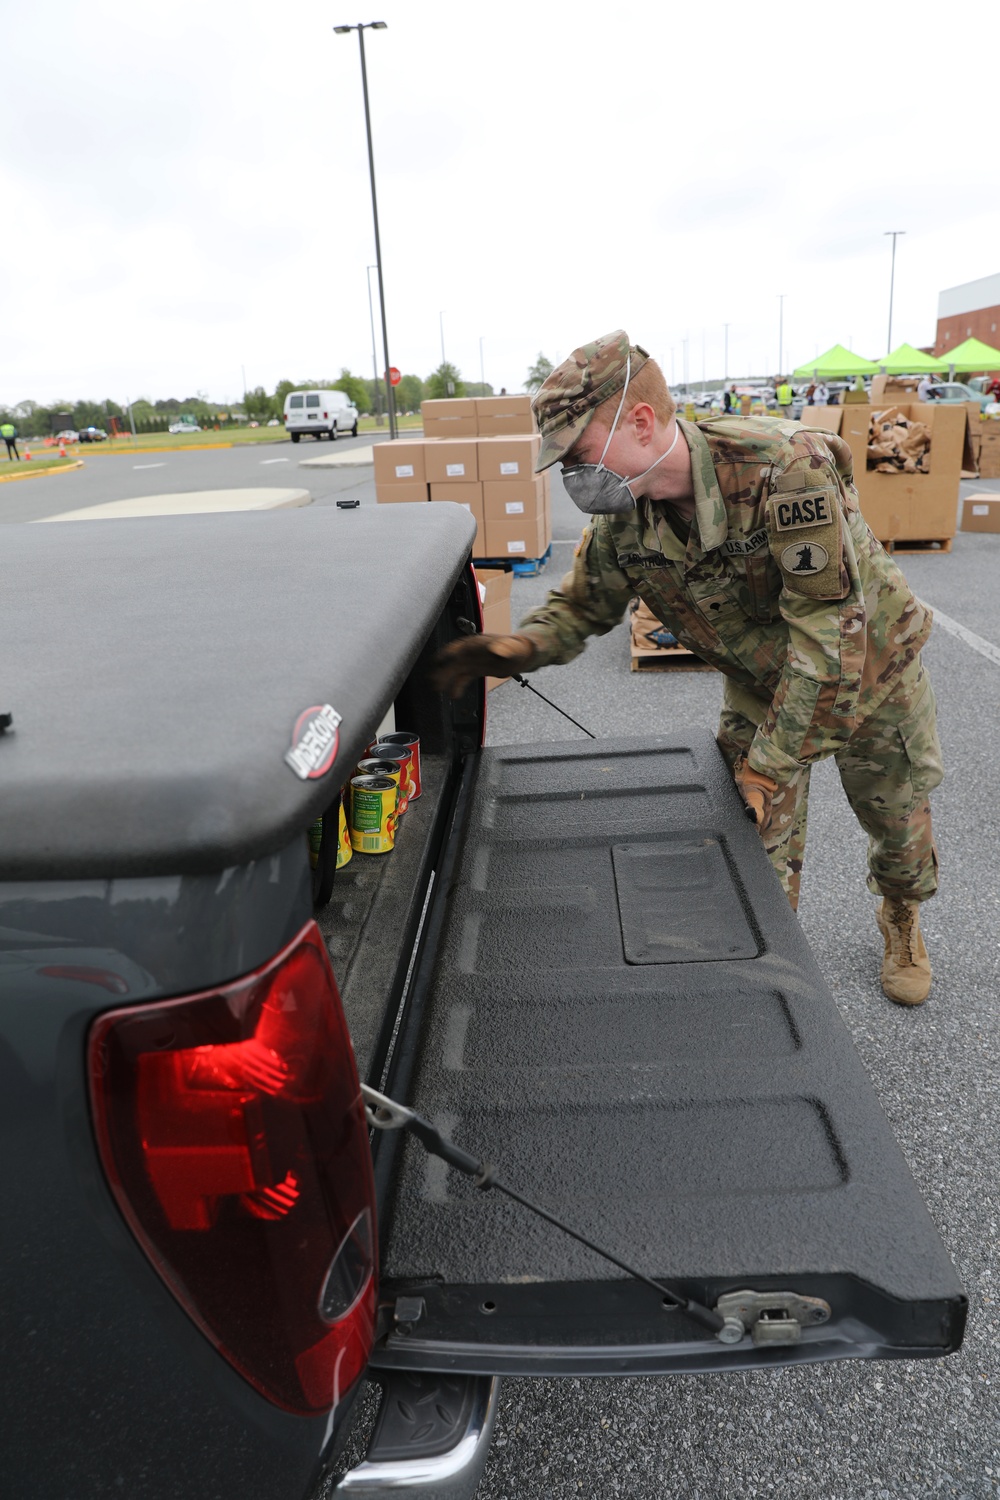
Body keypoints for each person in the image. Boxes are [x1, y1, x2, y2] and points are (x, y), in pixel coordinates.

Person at [434, 330, 943, 1007]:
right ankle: (767, 980)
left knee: (898, 829)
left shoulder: (784, 471)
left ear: (640, 422)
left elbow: (829, 639)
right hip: (764, 683)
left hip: (871, 667)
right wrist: (521, 647)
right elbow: (584, 606)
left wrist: (767, 767)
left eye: (579, 454)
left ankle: (901, 916)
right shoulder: (625, 523)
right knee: (750, 847)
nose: (572, 476)